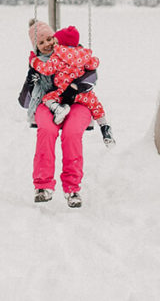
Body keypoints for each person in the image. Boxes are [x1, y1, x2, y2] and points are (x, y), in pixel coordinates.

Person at [18, 19, 102, 208]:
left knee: (72, 134)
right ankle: (43, 186)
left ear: (56, 37)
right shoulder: (37, 65)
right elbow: (24, 102)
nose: (47, 44)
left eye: (50, 38)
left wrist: (72, 89)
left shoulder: (74, 53)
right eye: (41, 42)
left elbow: (92, 77)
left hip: (78, 103)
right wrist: (31, 81)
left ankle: (72, 188)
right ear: (36, 47)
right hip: (47, 104)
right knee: (47, 131)